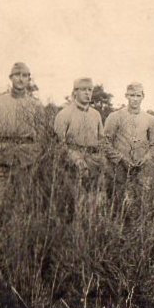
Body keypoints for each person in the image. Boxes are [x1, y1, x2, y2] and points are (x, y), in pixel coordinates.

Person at [0, 62, 44, 215]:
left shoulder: (36, 105)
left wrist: (36, 157)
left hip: (26, 160)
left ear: (29, 79)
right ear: (11, 78)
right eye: (17, 75)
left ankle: (17, 236)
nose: (21, 79)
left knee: (22, 202)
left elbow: (42, 136)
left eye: (24, 76)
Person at [54, 77, 105, 214]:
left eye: (90, 90)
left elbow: (101, 140)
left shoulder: (96, 115)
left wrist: (100, 159)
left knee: (95, 201)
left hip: (94, 161)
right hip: (72, 163)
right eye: (83, 90)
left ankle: (93, 227)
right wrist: (75, 159)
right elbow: (60, 143)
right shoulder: (64, 114)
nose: (87, 93)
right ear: (75, 92)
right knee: (76, 200)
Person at [104, 82, 154, 212]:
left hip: (140, 171)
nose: (134, 99)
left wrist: (146, 158)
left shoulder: (150, 119)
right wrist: (121, 159)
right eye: (132, 95)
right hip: (118, 171)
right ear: (126, 96)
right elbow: (104, 143)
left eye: (138, 95)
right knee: (116, 207)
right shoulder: (115, 117)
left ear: (143, 96)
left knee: (139, 206)